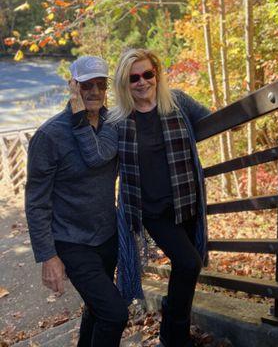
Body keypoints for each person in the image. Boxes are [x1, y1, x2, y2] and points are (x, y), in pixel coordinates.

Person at [70, 49, 211, 347]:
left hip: (187, 203)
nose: (142, 82)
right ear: (124, 82)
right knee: (188, 264)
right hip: (152, 211)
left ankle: (172, 333)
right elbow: (94, 155)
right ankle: (175, 336)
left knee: (185, 267)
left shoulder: (178, 102)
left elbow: (212, 120)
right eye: (133, 78)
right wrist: (77, 111)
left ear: (156, 74)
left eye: (147, 74)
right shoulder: (118, 121)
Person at [25, 56, 128, 347]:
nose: (94, 91)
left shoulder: (113, 125)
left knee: (97, 310)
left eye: (100, 84)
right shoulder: (49, 136)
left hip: (107, 237)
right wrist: (48, 256)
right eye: (86, 85)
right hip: (72, 242)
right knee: (114, 314)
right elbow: (36, 201)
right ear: (73, 87)